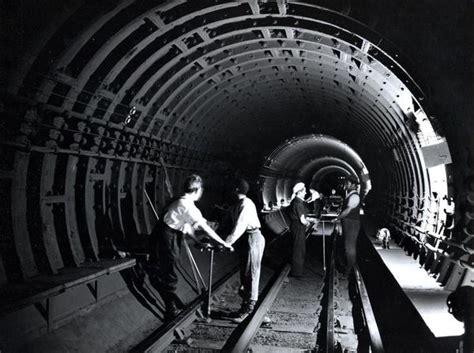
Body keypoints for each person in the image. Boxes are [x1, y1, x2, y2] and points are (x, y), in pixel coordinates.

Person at [152, 174, 232, 320]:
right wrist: (223, 243)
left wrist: (199, 242)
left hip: (170, 235)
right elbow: (205, 228)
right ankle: (170, 311)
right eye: (201, 190)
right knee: (169, 272)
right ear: (196, 190)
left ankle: (171, 303)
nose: (201, 193)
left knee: (171, 267)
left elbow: (188, 228)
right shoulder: (187, 206)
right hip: (166, 237)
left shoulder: (180, 201)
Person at [224, 178, 265, 323]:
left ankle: (251, 309)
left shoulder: (246, 205)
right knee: (246, 273)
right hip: (246, 239)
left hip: (253, 237)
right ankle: (247, 305)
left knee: (252, 273)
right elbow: (226, 223)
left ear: (236, 190)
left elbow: (239, 227)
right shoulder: (237, 204)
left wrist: (226, 242)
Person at [332, 175, 361, 275]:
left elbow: (347, 210)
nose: (345, 185)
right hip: (348, 222)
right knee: (347, 245)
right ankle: (349, 268)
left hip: (352, 223)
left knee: (350, 247)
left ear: (353, 185)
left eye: (347, 183)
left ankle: (350, 270)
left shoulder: (354, 196)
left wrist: (337, 218)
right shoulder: (350, 195)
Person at [288, 182, 318, 277]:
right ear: (299, 192)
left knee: (298, 248)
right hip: (298, 227)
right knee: (298, 249)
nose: (305, 193)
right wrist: (308, 222)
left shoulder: (297, 201)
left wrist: (310, 219)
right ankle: (297, 272)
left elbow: (301, 216)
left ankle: (297, 270)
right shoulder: (298, 203)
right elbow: (302, 220)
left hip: (295, 226)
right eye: (304, 191)